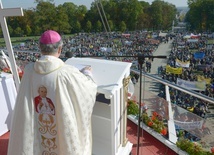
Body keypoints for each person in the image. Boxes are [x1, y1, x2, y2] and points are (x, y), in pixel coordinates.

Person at [7, 30, 97, 155]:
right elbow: (89, 89)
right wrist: (87, 73)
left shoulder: (29, 71)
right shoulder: (66, 72)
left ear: (40, 47)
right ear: (60, 49)